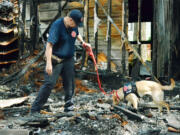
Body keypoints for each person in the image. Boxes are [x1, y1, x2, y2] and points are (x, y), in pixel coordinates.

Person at [30, 9, 91, 114]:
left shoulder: (73, 26)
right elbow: (49, 46)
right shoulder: (57, 26)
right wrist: (48, 64)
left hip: (69, 59)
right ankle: (35, 110)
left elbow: (76, 33)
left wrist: (83, 42)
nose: (76, 26)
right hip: (56, 60)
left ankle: (69, 107)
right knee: (49, 83)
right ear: (70, 20)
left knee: (70, 84)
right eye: (75, 24)